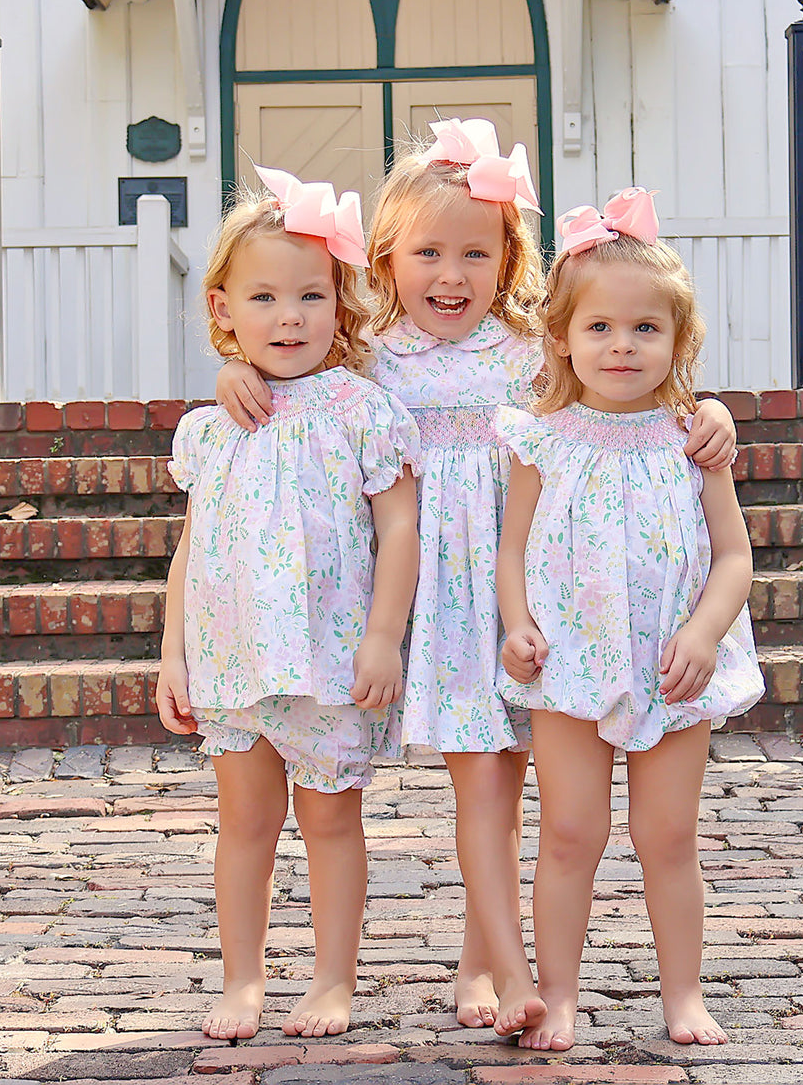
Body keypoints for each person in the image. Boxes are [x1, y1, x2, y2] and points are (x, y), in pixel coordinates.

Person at [217, 121, 739, 1039]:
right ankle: (508, 962)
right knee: (478, 781)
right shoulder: (368, 352)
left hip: (540, 588)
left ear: (510, 258)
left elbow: (632, 371)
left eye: (474, 251)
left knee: (526, 777)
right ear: (384, 259)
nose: (449, 275)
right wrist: (230, 376)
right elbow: (287, 370)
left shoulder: (533, 349)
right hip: (433, 590)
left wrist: (717, 410)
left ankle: (482, 964)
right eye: (427, 252)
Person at [496, 189, 765, 1051]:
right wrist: (516, 623)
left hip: (670, 664)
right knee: (571, 832)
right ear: (563, 339)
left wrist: (703, 633)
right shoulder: (542, 439)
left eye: (645, 329)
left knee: (667, 835)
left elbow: (734, 557)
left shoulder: (693, 436)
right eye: (600, 328)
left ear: (678, 342)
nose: (621, 346)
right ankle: (563, 996)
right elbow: (513, 552)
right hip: (567, 664)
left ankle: (683, 995)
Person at [156, 166, 421, 1042]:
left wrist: (384, 637)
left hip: (329, 657)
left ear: (340, 307)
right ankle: (241, 981)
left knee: (330, 821)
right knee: (245, 824)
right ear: (224, 309)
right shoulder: (211, 423)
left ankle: (333, 980)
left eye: (310, 295)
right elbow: (193, 547)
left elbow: (400, 529)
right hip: (234, 660)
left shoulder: (362, 409)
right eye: (264, 297)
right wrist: (173, 654)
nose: (289, 316)